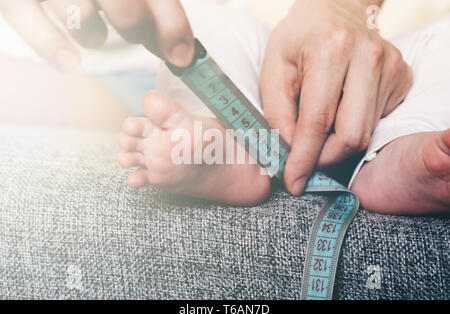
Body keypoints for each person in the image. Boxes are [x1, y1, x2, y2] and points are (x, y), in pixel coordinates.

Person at [2, 0, 449, 213]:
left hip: (388, 57)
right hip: (223, 41)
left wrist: (346, 8)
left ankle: (405, 153)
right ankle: (222, 139)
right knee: (202, 24)